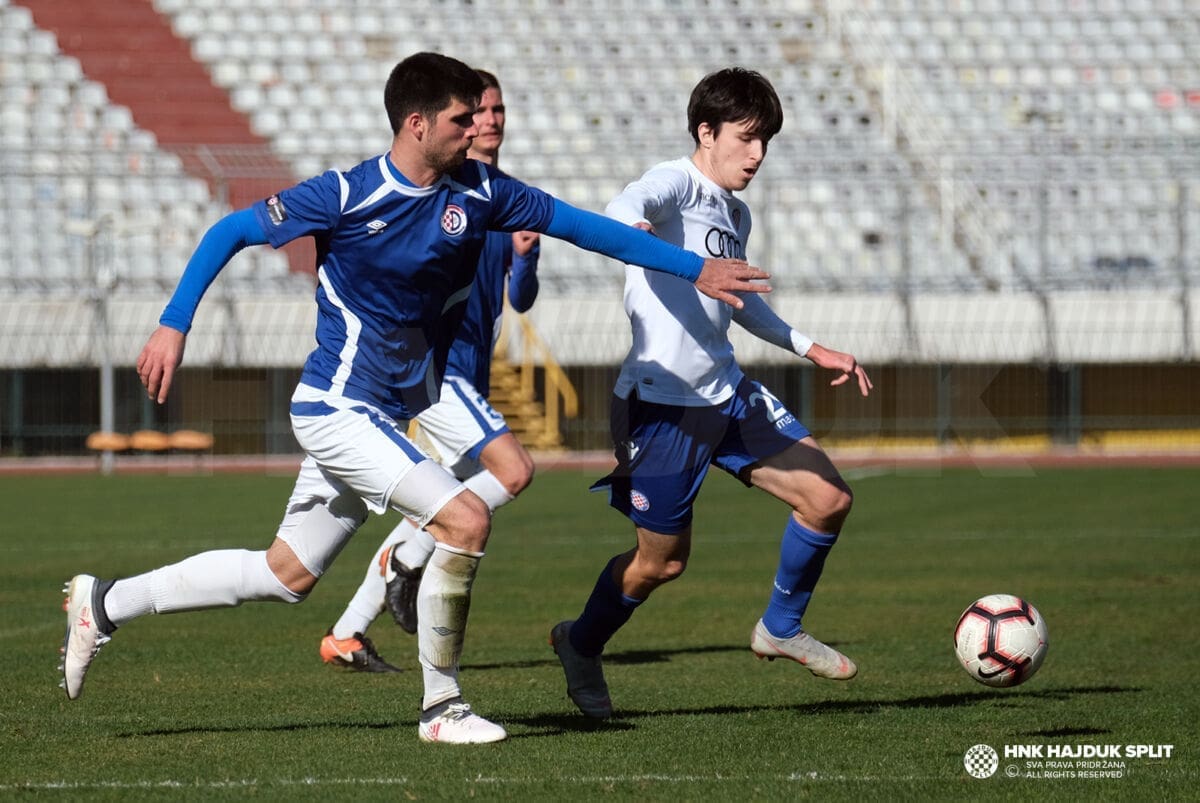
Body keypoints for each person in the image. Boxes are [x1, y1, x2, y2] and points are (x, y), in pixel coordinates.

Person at [58, 52, 770, 745]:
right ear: (416, 124)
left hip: (387, 408)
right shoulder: (344, 194)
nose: (478, 130)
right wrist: (173, 323)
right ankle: (442, 705)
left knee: (286, 575)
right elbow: (232, 229)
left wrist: (694, 267)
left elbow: (588, 229)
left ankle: (104, 602)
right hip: (338, 407)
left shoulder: (484, 193)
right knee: (464, 519)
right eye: (463, 119)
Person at [548, 68, 873, 720]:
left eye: (766, 144)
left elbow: (741, 303)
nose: (757, 156)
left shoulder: (735, 211)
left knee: (828, 497)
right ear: (707, 131)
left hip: (727, 394)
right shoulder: (673, 182)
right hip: (660, 403)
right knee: (661, 565)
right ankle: (579, 641)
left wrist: (813, 346)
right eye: (747, 139)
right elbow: (617, 216)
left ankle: (780, 626)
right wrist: (660, 247)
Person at [318, 69, 541, 672]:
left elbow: (520, 299)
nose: (488, 121)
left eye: (496, 111)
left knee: (452, 499)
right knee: (512, 473)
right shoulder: (445, 194)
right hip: (441, 376)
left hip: (472, 370)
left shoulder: (506, 198)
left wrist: (524, 258)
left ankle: (346, 632)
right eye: (477, 112)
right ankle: (411, 554)